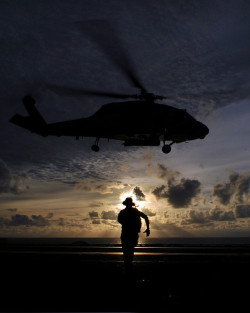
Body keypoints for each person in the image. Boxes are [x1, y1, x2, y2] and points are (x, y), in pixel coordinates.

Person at [118, 197, 150, 271]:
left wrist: (148, 228)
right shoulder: (134, 211)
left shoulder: (123, 212)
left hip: (127, 233)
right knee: (129, 250)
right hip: (131, 233)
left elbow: (119, 220)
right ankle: (128, 266)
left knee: (127, 251)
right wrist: (148, 228)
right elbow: (145, 217)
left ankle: (127, 266)